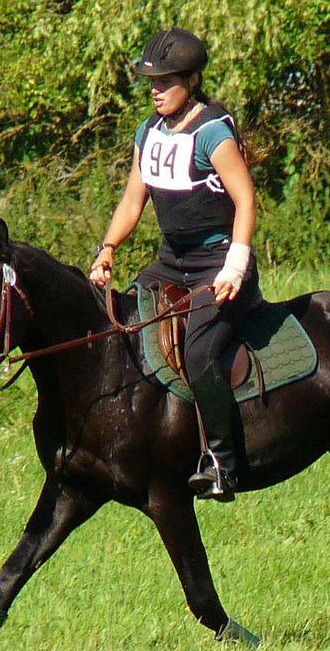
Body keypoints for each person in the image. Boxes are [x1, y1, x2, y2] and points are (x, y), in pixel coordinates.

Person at [89, 27, 262, 503]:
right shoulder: (149, 132)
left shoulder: (212, 132)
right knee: (124, 323)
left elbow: (246, 201)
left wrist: (235, 267)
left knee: (200, 351)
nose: (156, 90)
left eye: (165, 81)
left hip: (219, 265)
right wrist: (108, 249)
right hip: (172, 263)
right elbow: (132, 201)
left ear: (192, 80)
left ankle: (223, 463)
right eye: (152, 82)